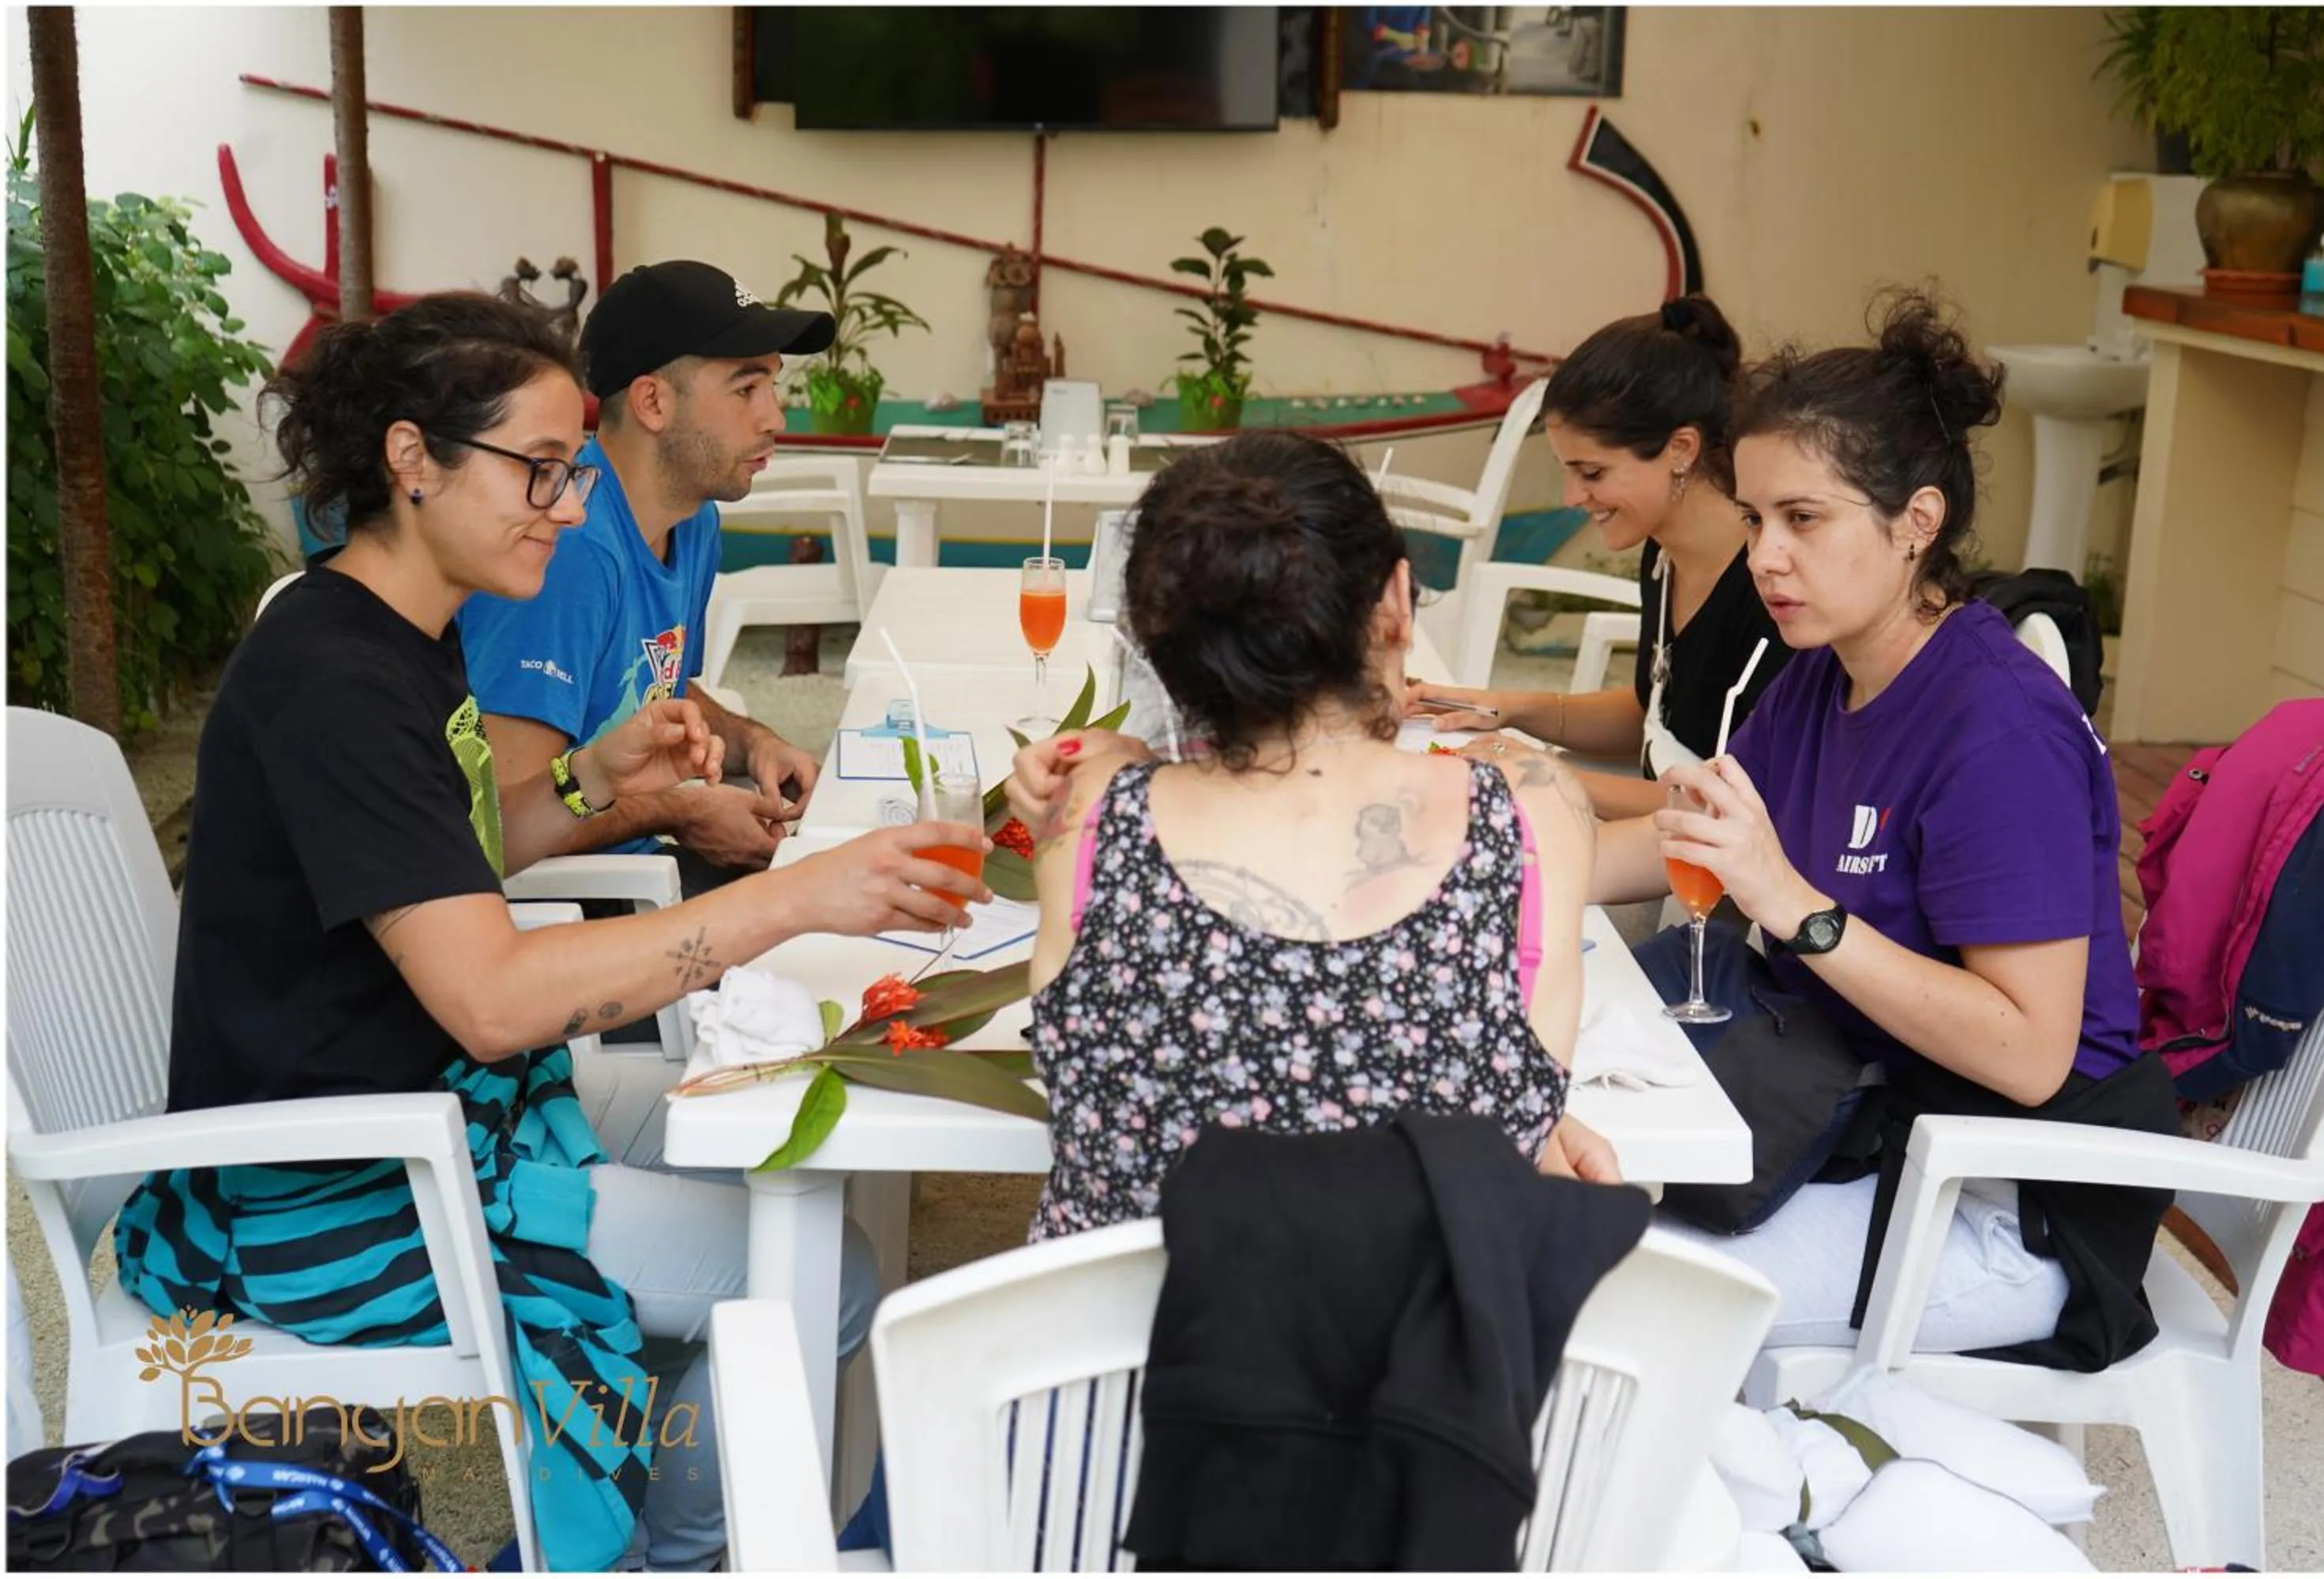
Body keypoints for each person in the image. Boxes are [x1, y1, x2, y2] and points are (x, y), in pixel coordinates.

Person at [109, 294, 989, 1573]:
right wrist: (795, 897)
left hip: (450, 1103)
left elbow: (447, 857)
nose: (568, 508)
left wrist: (601, 785)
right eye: (538, 471)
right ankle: (646, 1550)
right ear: (412, 460)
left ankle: (614, 1484)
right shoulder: (335, 682)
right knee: (820, 1278)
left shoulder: (406, 632)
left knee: (758, 1166)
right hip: (349, 1182)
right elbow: (492, 997)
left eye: (570, 474)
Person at [1579, 289, 2178, 1365]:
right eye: (1756, 518)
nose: (1765, 556)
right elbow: (1679, 836)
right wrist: (1467, 862)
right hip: (1847, 1121)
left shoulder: (1996, 728)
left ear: (1917, 521)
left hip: (2001, 1199)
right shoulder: (1821, 676)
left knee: (1601, 1293)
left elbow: (2032, 1056)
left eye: (1804, 520)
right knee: (1543, 1194)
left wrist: (1798, 911)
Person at [1002, 431, 1622, 1241]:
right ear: (1396, 599)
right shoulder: (1535, 813)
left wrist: (1116, 760)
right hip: (1430, 1352)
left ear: (1157, 640)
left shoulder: (1089, 814)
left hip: (1135, 1354)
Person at [455, 258, 833, 893]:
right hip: (571, 905)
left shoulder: (694, 520)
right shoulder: (564, 549)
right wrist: (680, 813)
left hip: (639, 861)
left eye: (773, 386)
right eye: (746, 389)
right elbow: (501, 814)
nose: (775, 418)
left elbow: (662, 689)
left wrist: (753, 742)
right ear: (653, 401)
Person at [1410, 295, 1789, 820]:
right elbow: (1657, 714)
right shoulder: (1663, 552)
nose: (1571, 496)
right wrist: (1506, 708)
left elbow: (1739, 814)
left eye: (1592, 474)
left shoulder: (1774, 591)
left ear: (1681, 448)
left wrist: (1541, 775)